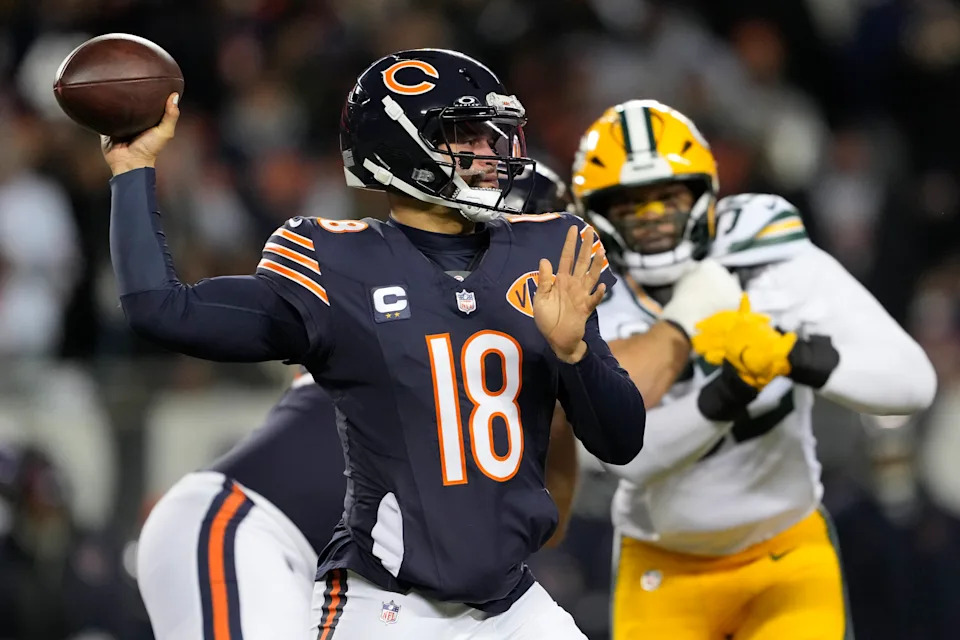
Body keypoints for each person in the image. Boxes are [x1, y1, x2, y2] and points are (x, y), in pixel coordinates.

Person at [105, 48, 645, 639]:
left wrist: (576, 355)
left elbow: (621, 441)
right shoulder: (336, 263)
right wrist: (133, 169)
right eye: (468, 135)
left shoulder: (553, 249)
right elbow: (163, 310)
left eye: (496, 134)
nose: (494, 152)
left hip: (509, 602)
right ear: (404, 148)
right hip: (390, 603)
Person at [133, 165, 583, 640]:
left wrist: (562, 382)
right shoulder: (391, 313)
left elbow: (540, 531)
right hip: (244, 531)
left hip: (345, 584)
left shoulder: (484, 351)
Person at [571, 99, 938, 639]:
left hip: (786, 553)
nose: (652, 219)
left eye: (667, 197)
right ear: (598, 210)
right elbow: (628, 457)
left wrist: (794, 354)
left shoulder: (766, 256)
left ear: (702, 192)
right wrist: (735, 389)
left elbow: (911, 382)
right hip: (664, 565)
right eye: (631, 205)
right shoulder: (589, 294)